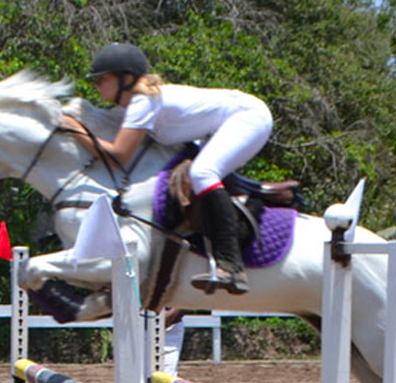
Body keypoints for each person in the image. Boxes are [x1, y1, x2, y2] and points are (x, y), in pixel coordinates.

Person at [60, 42, 273, 294]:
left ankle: (232, 266)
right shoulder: (138, 104)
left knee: (202, 173)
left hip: (248, 117)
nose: (96, 85)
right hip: (217, 126)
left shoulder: (143, 102)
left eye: (101, 79)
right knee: (197, 174)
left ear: (124, 78)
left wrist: (77, 131)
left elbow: (119, 155)